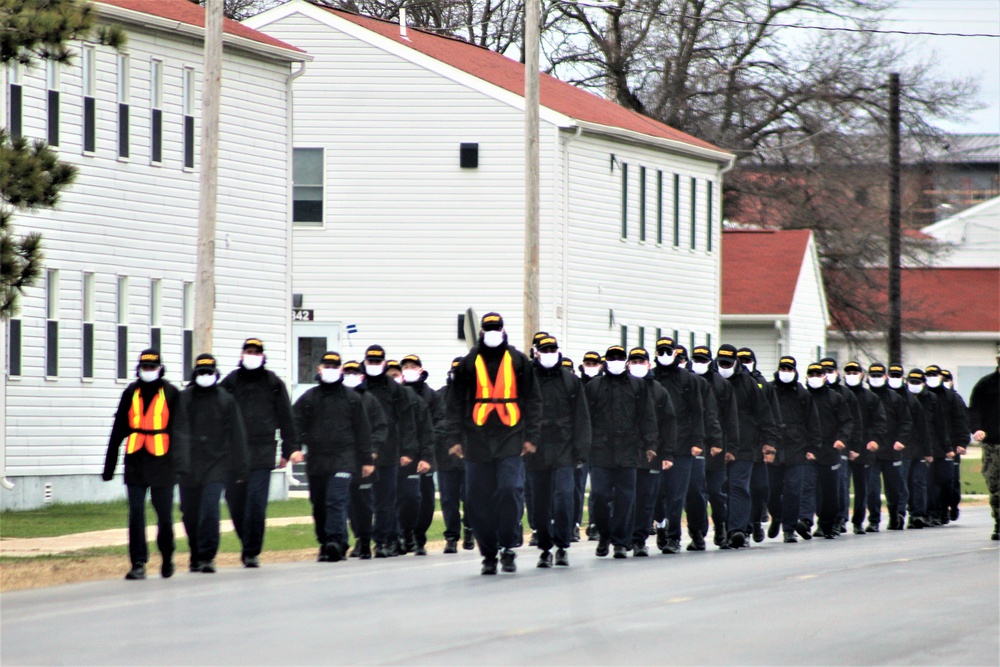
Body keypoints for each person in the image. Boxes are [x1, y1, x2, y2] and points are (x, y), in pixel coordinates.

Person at [446, 312, 542, 575]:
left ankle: (508, 546)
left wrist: (532, 437)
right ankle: (488, 553)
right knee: (477, 499)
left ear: (503, 330)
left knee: (510, 489)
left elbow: (533, 401)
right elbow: (453, 404)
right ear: (480, 333)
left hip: (511, 436)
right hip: (476, 440)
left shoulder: (519, 361)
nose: (491, 332)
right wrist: (454, 439)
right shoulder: (468, 363)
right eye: (487, 328)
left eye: (495, 328)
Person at [103, 349, 189, 580]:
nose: (148, 371)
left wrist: (181, 464)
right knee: (136, 513)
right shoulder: (130, 392)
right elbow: (119, 428)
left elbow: (180, 431)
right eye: (144, 367)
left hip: (164, 461)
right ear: (139, 369)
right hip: (136, 460)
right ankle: (138, 562)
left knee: (164, 515)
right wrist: (109, 465)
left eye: (152, 367)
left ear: (160, 369)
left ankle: (168, 556)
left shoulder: (172, 393)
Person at [220, 337, 298, 568]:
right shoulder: (230, 382)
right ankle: (247, 540)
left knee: (256, 502)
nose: (252, 355)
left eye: (256, 352)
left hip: (262, 450)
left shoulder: (273, 382)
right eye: (248, 351)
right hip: (233, 452)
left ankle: (251, 551)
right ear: (242, 354)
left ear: (263, 356)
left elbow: (286, 418)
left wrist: (289, 449)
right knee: (234, 501)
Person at [293, 352, 374, 562]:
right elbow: (295, 424)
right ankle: (326, 542)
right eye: (326, 365)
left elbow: (363, 431)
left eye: (334, 366)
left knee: (336, 500)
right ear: (319, 369)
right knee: (319, 504)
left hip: (344, 459)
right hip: (317, 460)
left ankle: (335, 542)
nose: (330, 369)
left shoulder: (352, 398)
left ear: (340, 370)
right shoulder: (309, 398)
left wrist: (367, 460)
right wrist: (293, 448)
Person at [584, 345, 659, 559]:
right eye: (612, 357)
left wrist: (651, 445)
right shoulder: (594, 386)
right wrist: (583, 446)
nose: (615, 361)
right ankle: (604, 534)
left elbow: (648, 417)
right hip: (601, 451)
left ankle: (619, 541)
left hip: (630, 451)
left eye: (619, 357)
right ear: (605, 361)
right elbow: (584, 419)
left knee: (625, 499)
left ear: (624, 361)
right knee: (599, 496)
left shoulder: (637, 386)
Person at [178, 354, 249, 573]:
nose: (205, 376)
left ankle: (208, 556)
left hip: (217, 463)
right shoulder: (184, 398)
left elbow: (238, 434)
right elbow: (177, 432)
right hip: (189, 465)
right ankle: (195, 553)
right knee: (189, 513)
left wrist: (242, 466)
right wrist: (178, 463)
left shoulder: (226, 399)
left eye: (209, 372)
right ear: (195, 374)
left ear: (216, 374)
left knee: (210, 510)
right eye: (201, 373)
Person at [529, 336, 591, 567]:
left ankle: (563, 545)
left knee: (564, 497)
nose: (549, 352)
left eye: (552, 349)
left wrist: (581, 450)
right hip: (537, 451)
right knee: (540, 503)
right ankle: (545, 548)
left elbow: (582, 418)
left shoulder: (570, 380)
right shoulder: (528, 379)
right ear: (536, 352)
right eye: (545, 349)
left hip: (565, 450)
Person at [717, 344, 777, 549]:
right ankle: (723, 528)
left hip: (745, 444)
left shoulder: (748, 384)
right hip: (717, 444)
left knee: (738, 487)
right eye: (721, 363)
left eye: (728, 363)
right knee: (719, 489)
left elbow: (764, 413)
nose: (724, 366)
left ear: (736, 363)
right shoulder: (712, 383)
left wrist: (769, 442)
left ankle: (737, 530)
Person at [362, 345, 418, 558]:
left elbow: (407, 421)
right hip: (363, 452)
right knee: (362, 501)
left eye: (378, 362)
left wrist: (407, 451)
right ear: (365, 362)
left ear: (384, 363)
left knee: (386, 501)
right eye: (371, 362)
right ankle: (363, 539)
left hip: (390, 452)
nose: (374, 365)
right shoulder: (359, 386)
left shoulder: (395, 389)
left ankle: (383, 541)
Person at [685, 345, 738, 549]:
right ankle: (697, 533)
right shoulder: (688, 382)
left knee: (716, 492)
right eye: (696, 360)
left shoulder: (721, 385)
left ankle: (722, 527)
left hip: (715, 445)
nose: (699, 364)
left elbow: (729, 418)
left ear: (710, 361)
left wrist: (727, 445)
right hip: (694, 446)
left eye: (703, 360)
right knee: (695, 493)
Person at [628, 347, 677, 555]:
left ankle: (639, 539)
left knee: (647, 498)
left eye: (642, 361)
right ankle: (622, 536)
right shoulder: (621, 387)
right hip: (625, 453)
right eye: (634, 361)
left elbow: (668, 423)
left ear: (649, 364)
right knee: (625, 497)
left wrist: (667, 453)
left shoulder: (658, 390)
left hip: (652, 452)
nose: (638, 365)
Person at [769, 357, 822, 542]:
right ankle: (777, 516)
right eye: (783, 368)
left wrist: (813, 448)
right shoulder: (769, 390)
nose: (785, 371)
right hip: (773, 448)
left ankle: (789, 528)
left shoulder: (802, 394)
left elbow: (813, 422)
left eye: (789, 368)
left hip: (796, 448)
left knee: (793, 490)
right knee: (772, 490)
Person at [648, 338, 692, 554]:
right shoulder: (651, 378)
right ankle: (661, 524)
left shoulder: (687, 379)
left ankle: (674, 537)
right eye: (661, 351)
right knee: (656, 493)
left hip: (682, 447)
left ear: (676, 353)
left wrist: (698, 441)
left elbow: (697, 412)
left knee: (676, 494)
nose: (665, 354)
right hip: (655, 445)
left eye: (668, 351)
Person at [342, 360, 388, 559]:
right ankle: (355, 538)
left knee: (363, 501)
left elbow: (380, 427)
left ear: (362, 376)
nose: (351, 375)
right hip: (341, 457)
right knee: (347, 502)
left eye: (355, 372)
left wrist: (373, 450)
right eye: (347, 372)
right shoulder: (337, 398)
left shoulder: (369, 400)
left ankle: (365, 539)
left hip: (363, 458)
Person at [804, 363, 853, 539]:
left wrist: (842, 439)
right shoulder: (803, 396)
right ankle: (805, 520)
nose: (815, 376)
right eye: (812, 374)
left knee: (830, 491)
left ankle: (828, 524)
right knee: (808, 487)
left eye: (819, 374)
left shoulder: (835, 398)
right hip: (808, 450)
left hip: (830, 449)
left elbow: (847, 421)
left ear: (824, 377)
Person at [738, 347, 781, 543]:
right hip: (741, 446)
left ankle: (756, 520)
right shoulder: (733, 384)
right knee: (741, 489)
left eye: (747, 360)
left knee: (761, 488)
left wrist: (770, 443)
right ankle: (745, 527)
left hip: (759, 445)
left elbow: (771, 415)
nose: (744, 363)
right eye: (741, 360)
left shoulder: (763, 385)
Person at [400, 354, 441, 555]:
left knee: (425, 499)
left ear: (420, 369)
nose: (409, 369)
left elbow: (440, 422)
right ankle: (404, 533)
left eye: (412, 366)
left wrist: (429, 442)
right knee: (406, 497)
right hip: (403, 455)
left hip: (425, 454)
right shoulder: (396, 395)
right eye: (405, 366)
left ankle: (419, 537)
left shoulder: (431, 396)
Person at [840, 361, 886, 533]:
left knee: (864, 487)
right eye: (848, 372)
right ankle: (841, 519)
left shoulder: (871, 398)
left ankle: (861, 520)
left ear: (861, 375)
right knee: (842, 485)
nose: (851, 375)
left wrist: (875, 440)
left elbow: (880, 422)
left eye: (855, 372)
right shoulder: (840, 395)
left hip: (865, 448)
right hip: (844, 446)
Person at [865, 362, 913, 533]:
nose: (876, 379)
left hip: (892, 449)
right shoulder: (865, 397)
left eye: (879, 376)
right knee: (871, 487)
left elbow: (906, 422)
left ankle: (895, 515)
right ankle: (874, 519)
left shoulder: (895, 399)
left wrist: (901, 440)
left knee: (894, 487)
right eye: (873, 376)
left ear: (885, 377)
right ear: (868, 377)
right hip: (871, 450)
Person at [820, 358, 863, 535]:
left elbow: (855, 422)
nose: (828, 374)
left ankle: (840, 518)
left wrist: (854, 446)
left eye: (831, 370)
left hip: (841, 446)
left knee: (841, 483)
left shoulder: (845, 394)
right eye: (825, 371)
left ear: (837, 373)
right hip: (821, 448)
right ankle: (824, 520)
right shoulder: (815, 394)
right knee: (823, 487)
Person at [906, 368, 953, 527]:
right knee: (907, 483)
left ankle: (919, 514)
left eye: (917, 382)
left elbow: (940, 425)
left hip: (924, 446)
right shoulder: (901, 398)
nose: (914, 385)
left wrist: (946, 447)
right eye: (912, 382)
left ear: (923, 383)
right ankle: (912, 510)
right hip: (904, 447)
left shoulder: (932, 399)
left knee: (921, 481)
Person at [925, 364, 970, 523]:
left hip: (950, 446)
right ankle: (936, 511)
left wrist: (962, 442)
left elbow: (961, 420)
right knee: (931, 481)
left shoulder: (951, 397)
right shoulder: (925, 396)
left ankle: (950, 506)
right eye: (929, 374)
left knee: (949, 481)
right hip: (930, 446)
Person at [437, 357, 474, 553]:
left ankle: (469, 529)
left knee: (470, 497)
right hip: (446, 456)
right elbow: (436, 423)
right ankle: (451, 536)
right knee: (448, 499)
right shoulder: (440, 396)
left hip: (471, 456)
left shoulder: (476, 397)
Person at [889, 363, 930, 529]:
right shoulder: (886, 397)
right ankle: (899, 513)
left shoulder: (911, 400)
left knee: (918, 482)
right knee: (901, 482)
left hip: (917, 448)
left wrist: (928, 451)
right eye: (892, 376)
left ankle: (917, 514)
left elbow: (922, 427)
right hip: (900, 449)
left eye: (897, 376)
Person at [968, 354, 1000, 540]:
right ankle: (998, 522)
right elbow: (974, 409)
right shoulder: (985, 384)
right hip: (992, 444)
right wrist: (976, 429)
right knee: (994, 485)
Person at [578, 350, 603, 541]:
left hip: (601, 443)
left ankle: (595, 523)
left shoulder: (604, 386)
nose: (591, 366)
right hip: (581, 442)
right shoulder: (577, 385)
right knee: (576, 485)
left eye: (595, 363)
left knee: (599, 487)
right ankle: (575, 523)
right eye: (588, 363)